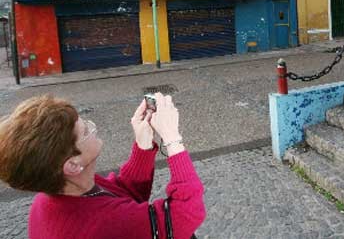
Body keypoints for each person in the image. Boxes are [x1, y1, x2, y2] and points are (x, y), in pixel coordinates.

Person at [0, 92, 205, 238]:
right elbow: (187, 212)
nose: (93, 127)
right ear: (73, 165)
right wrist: (172, 138)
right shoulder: (104, 224)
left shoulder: (51, 195)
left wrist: (143, 145)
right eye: (85, 131)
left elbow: (123, 193)